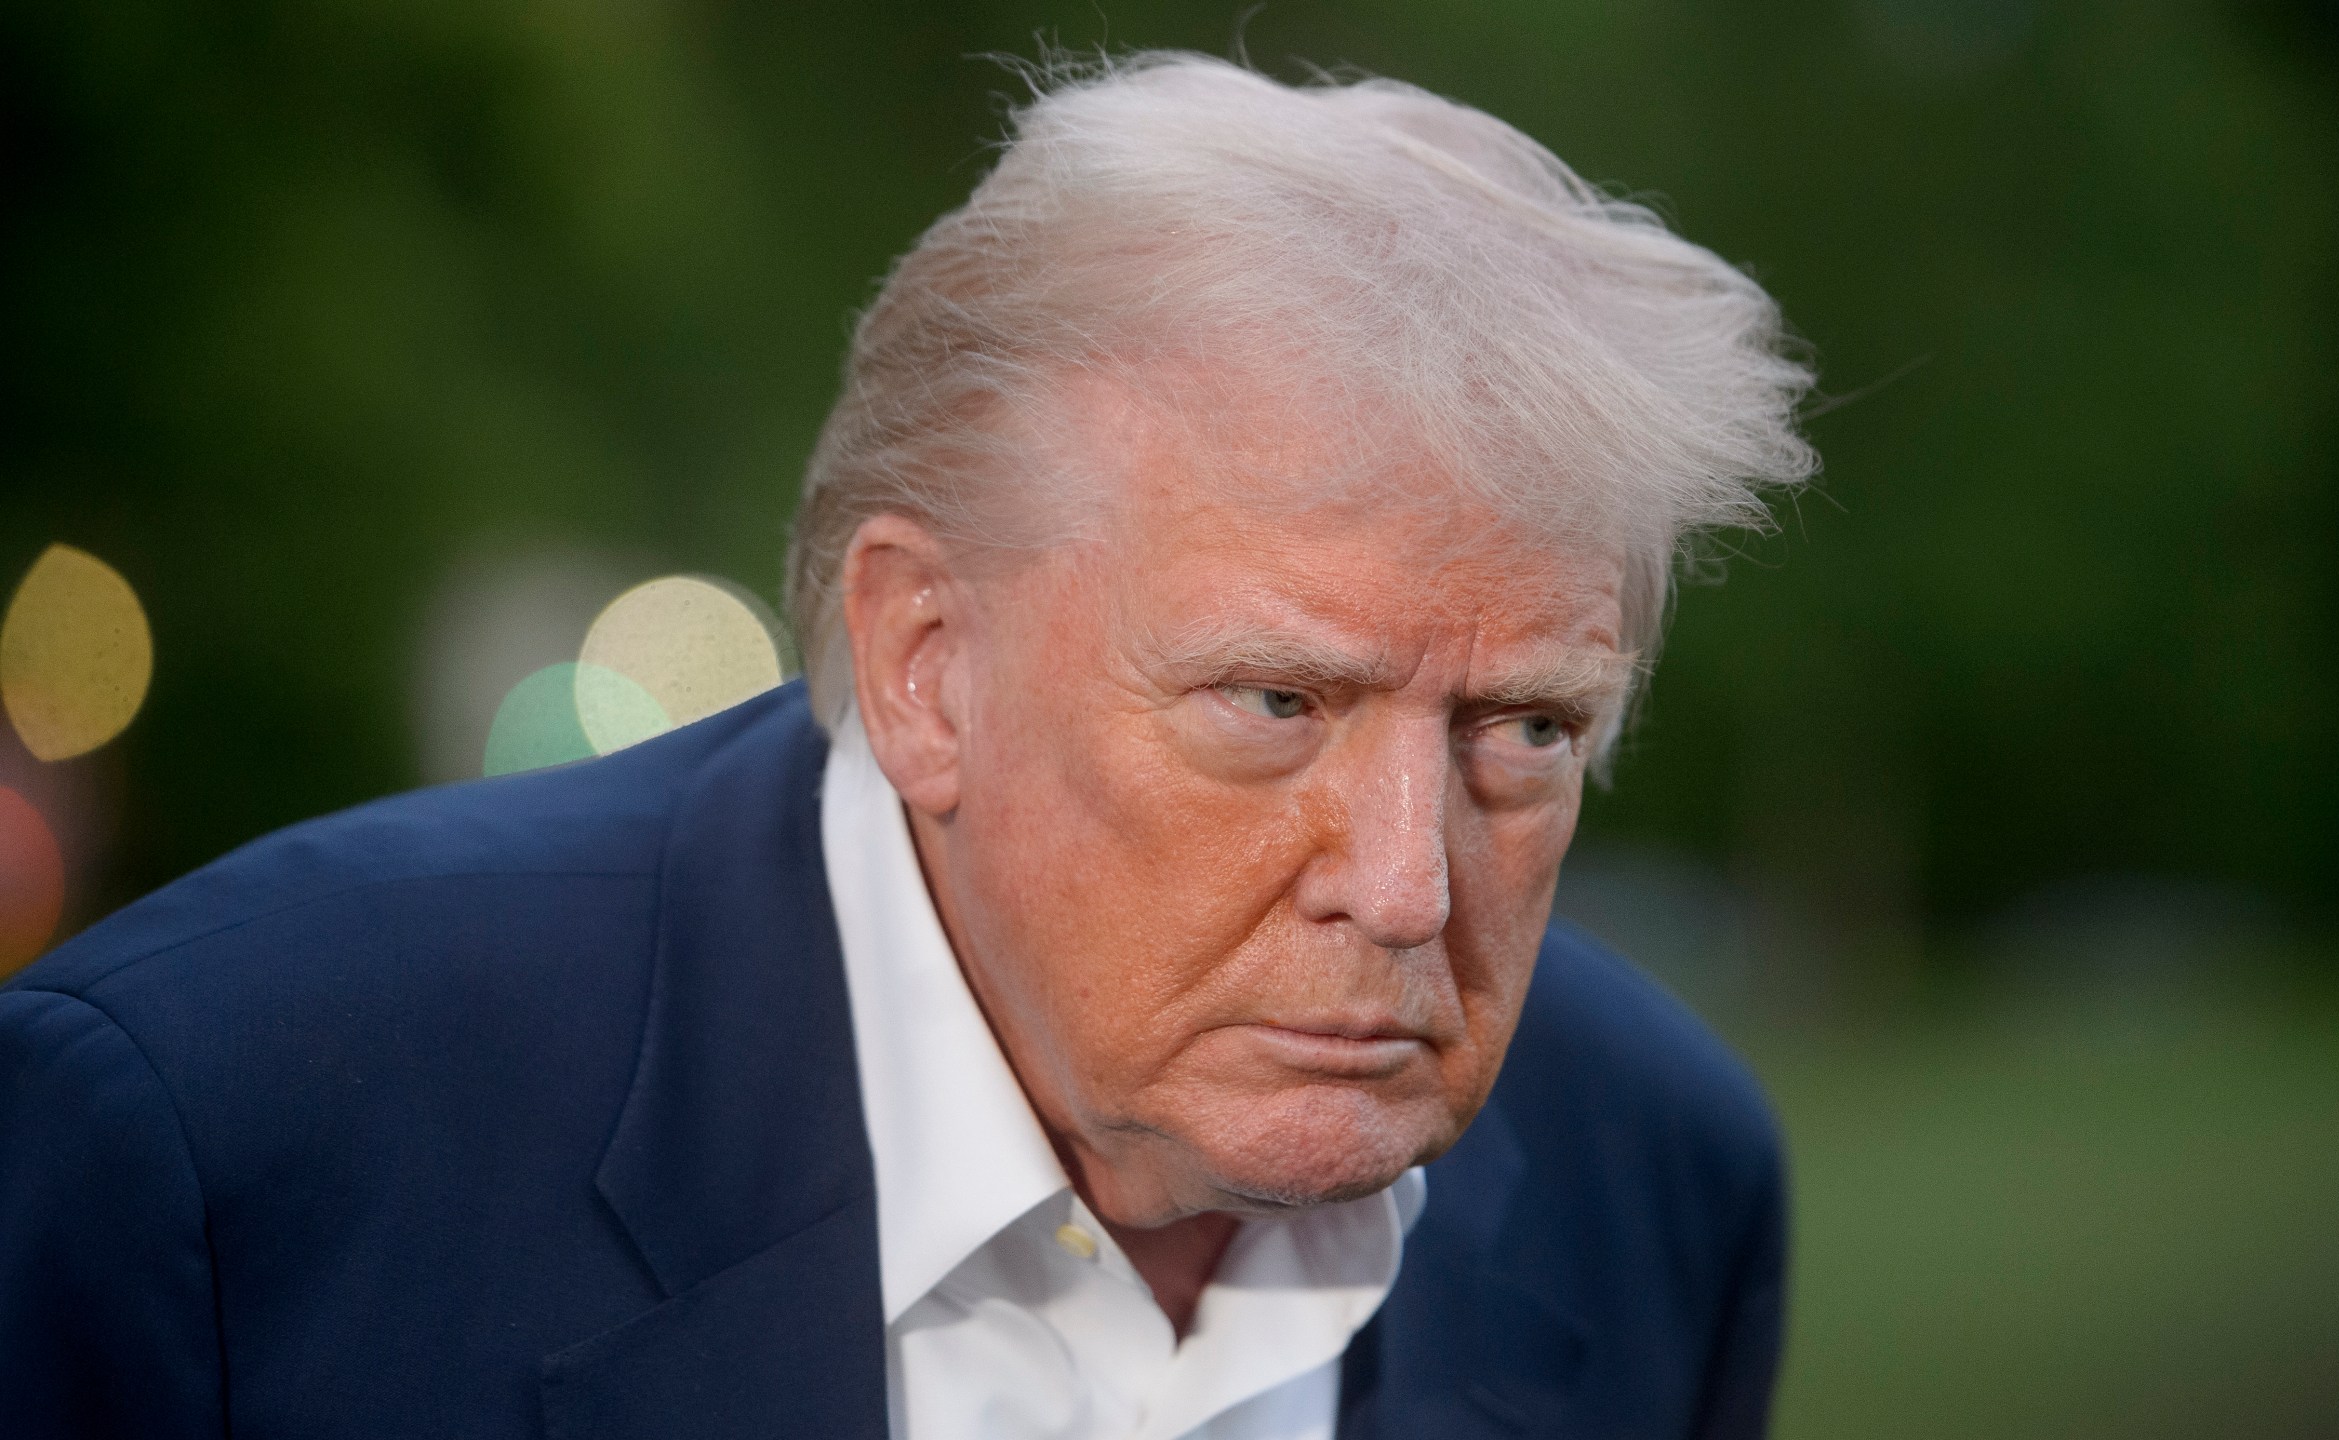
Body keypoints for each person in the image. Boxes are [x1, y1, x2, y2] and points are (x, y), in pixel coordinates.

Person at [0, 52, 1814, 1439]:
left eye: (1523, 728)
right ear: (928, 665)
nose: (1409, 887)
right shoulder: (212, 1146)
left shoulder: (1664, 1182)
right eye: (1279, 704)